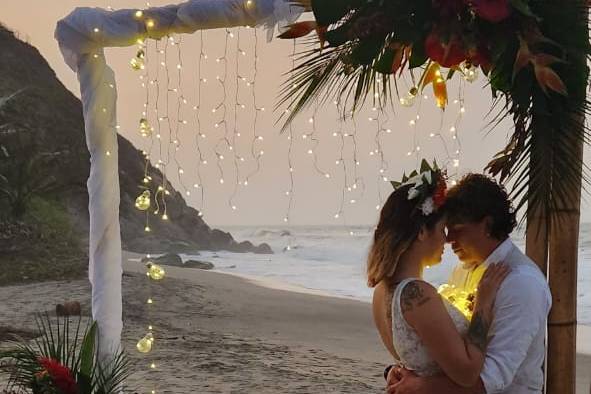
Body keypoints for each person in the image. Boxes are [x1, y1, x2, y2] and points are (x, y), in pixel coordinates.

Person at [385, 173, 552, 394]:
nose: (449, 239)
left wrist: (422, 386)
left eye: (458, 229)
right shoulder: (462, 270)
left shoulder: (521, 283)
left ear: (487, 224)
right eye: (446, 230)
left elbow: (495, 376)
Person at [369, 164, 511, 390]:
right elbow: (467, 373)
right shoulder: (417, 294)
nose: (446, 240)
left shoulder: (381, 292)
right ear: (422, 232)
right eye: (442, 229)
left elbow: (408, 363)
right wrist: (483, 305)